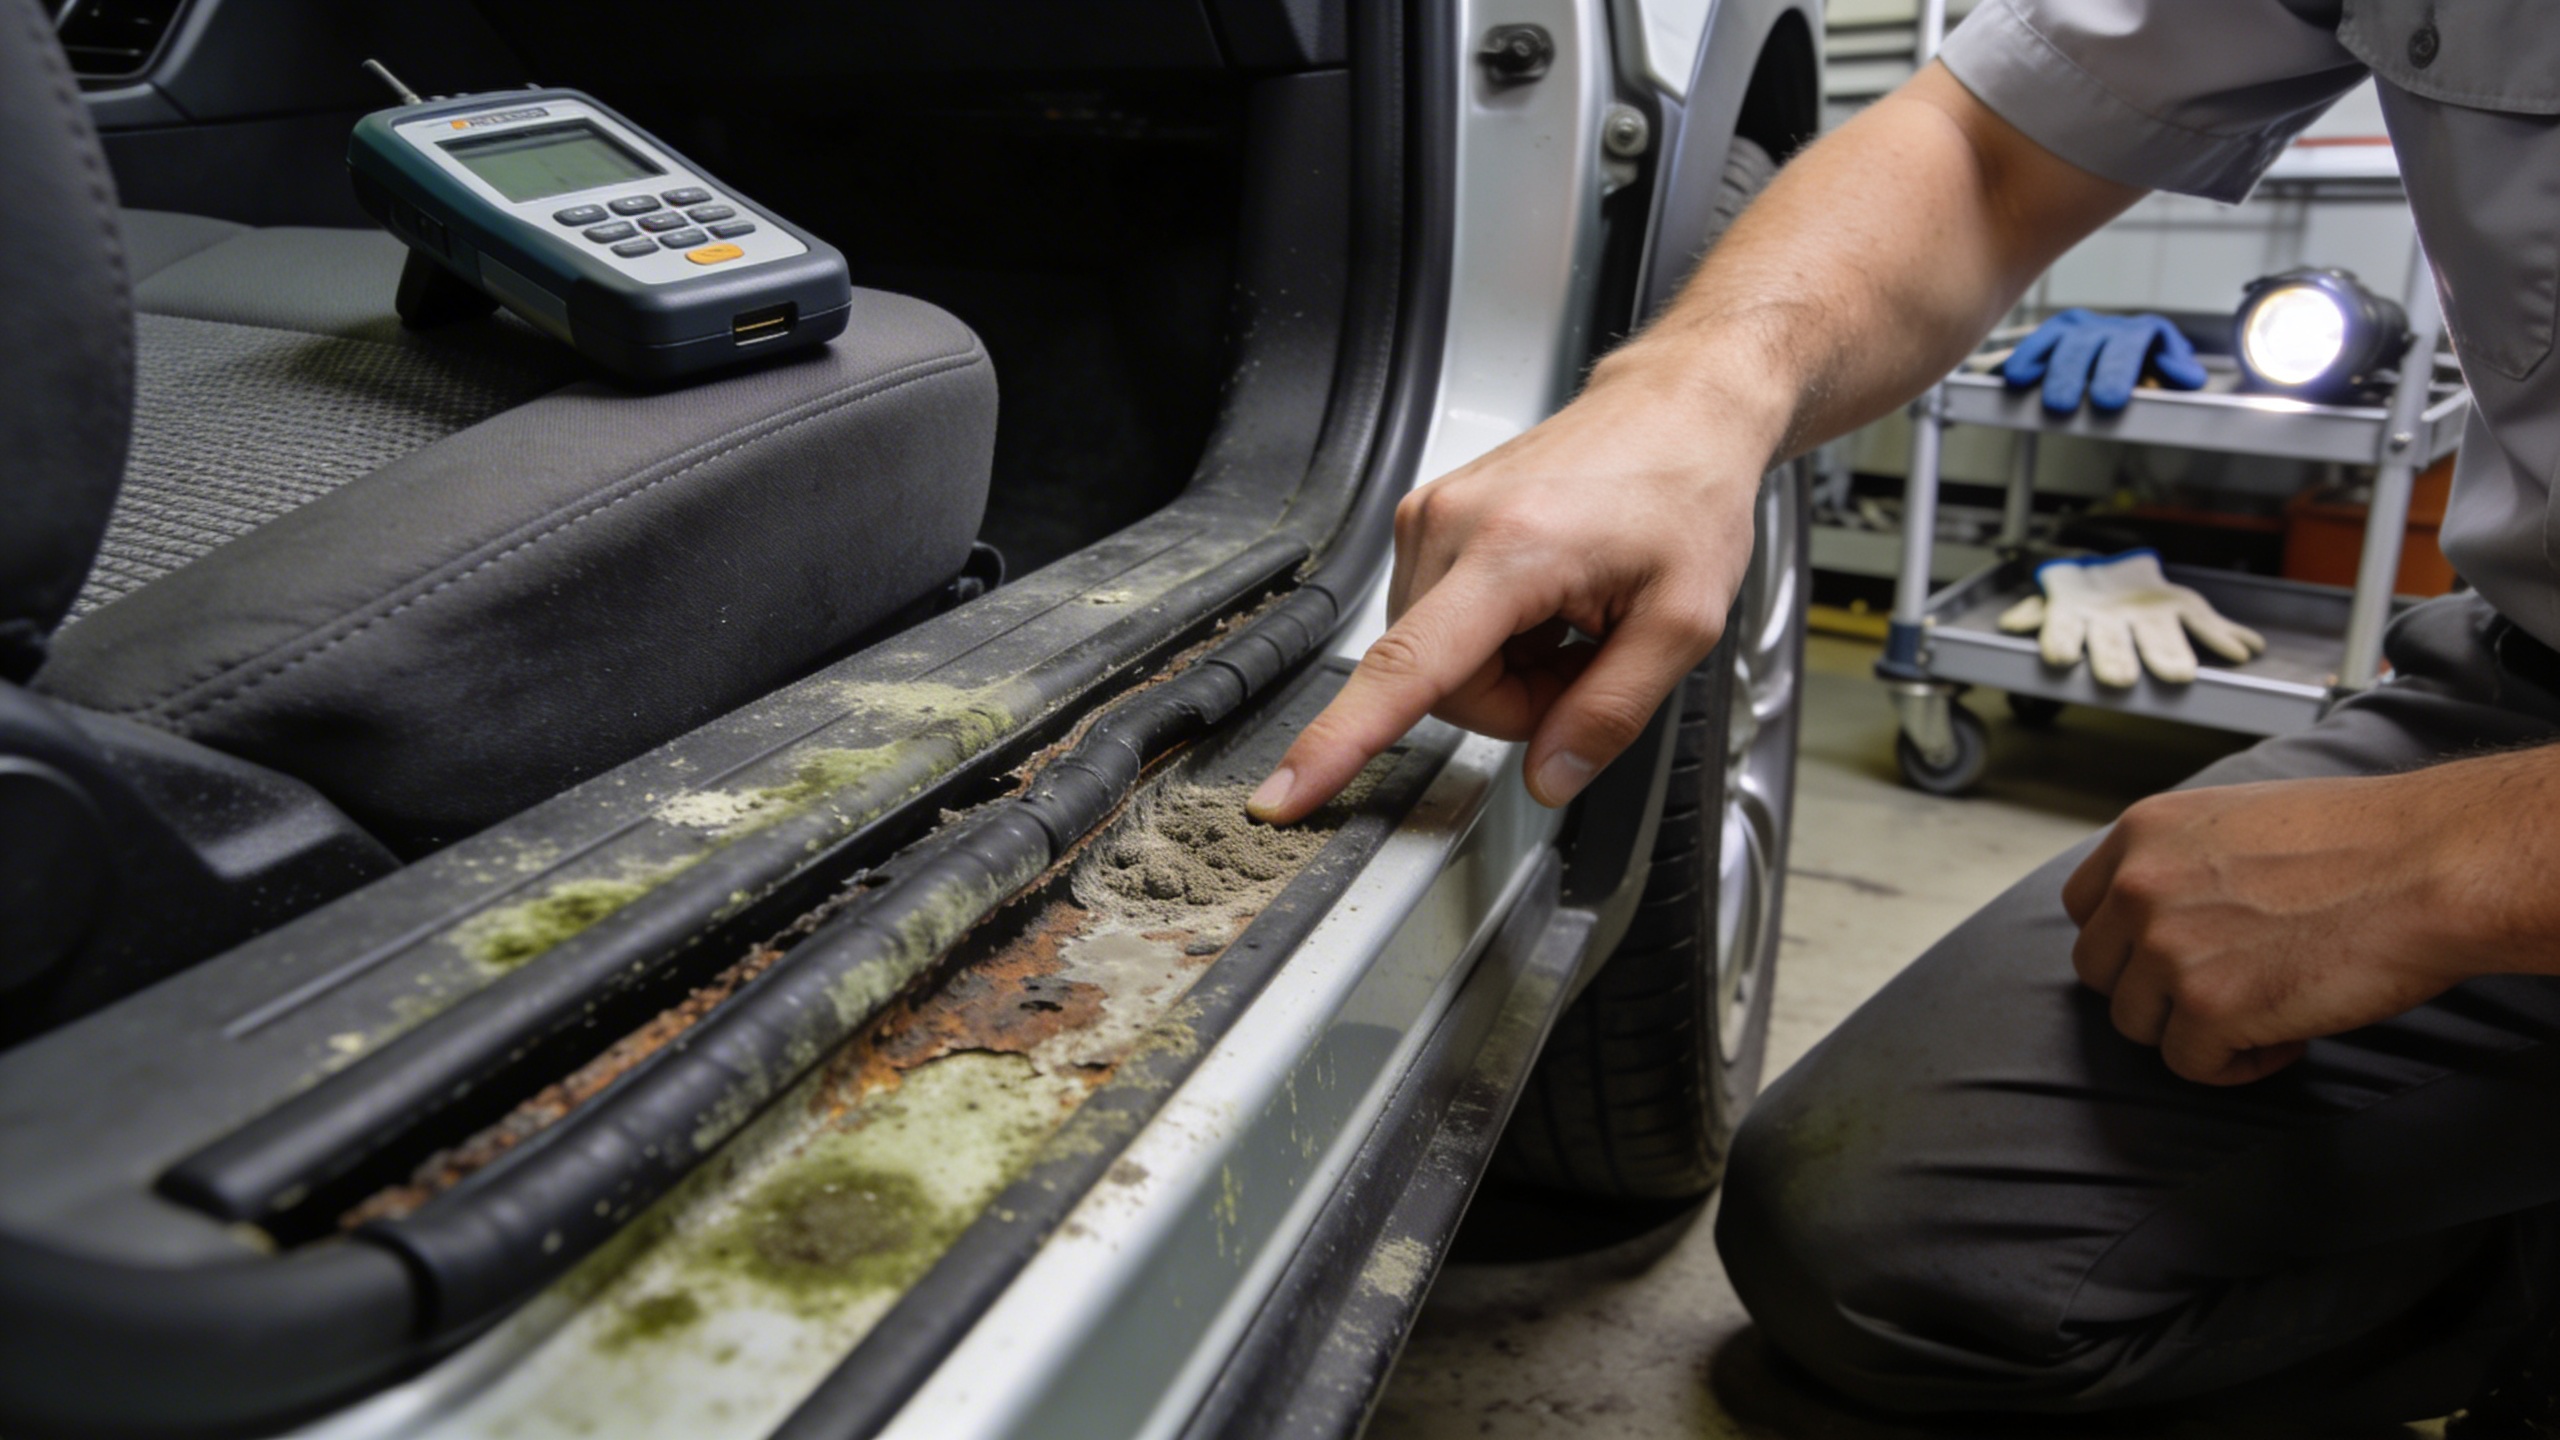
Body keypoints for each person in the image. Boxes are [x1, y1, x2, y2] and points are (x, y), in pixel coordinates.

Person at [1246, 0, 2560, 1427]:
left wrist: (2478, 865)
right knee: (1879, 1254)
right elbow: (1985, 147)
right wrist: (1695, 388)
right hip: (2525, 685)